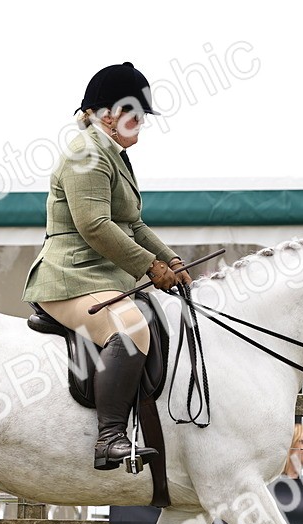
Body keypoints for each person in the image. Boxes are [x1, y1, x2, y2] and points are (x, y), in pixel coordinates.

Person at [22, 62, 192, 470]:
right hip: (71, 276)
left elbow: (131, 224)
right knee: (131, 329)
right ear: (107, 114)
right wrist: (150, 267)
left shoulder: (111, 155)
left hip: (100, 276)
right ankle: (110, 438)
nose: (140, 124)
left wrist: (170, 259)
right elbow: (95, 226)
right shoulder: (86, 155)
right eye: (135, 115)